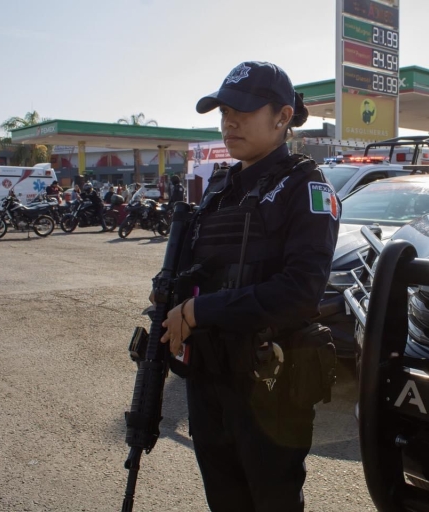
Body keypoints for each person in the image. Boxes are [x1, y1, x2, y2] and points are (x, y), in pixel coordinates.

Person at [158, 61, 340, 512]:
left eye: (241, 110)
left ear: (282, 117)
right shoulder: (221, 188)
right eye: (223, 111)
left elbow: (300, 292)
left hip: (271, 384)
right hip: (209, 380)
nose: (229, 122)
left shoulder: (306, 187)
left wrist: (201, 312)